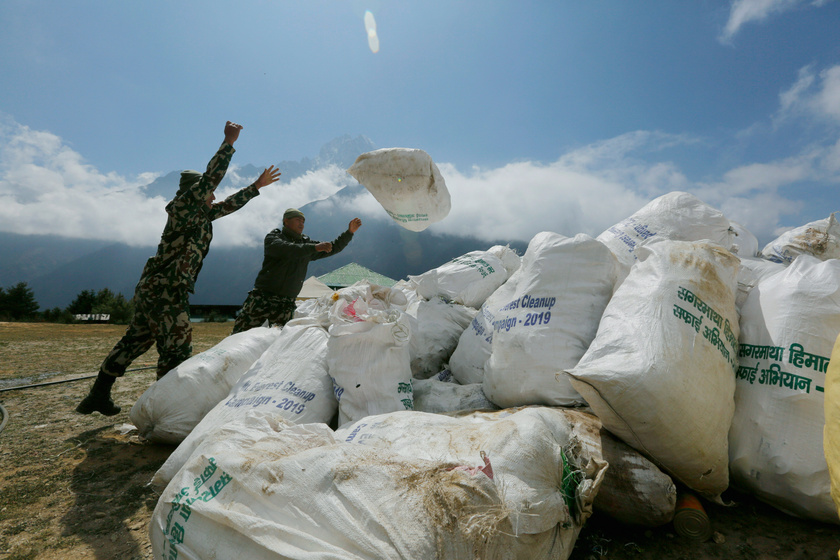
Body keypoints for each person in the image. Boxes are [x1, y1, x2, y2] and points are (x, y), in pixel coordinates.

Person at [76, 121, 282, 416]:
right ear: (194, 192)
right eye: (207, 193)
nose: (212, 196)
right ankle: (167, 410)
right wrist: (228, 143)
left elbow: (227, 204)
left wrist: (256, 187)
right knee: (177, 350)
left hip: (154, 290)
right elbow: (210, 180)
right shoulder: (184, 208)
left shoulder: (200, 215)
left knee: (133, 342)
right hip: (167, 291)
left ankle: (97, 395)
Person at [231, 209, 362, 334]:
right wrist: (313, 248)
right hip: (263, 299)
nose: (301, 224)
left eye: (303, 221)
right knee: (241, 334)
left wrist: (349, 233)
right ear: (286, 221)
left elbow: (331, 248)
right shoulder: (274, 237)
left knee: (278, 342)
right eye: (298, 220)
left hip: (286, 304)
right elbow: (287, 249)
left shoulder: (306, 244)